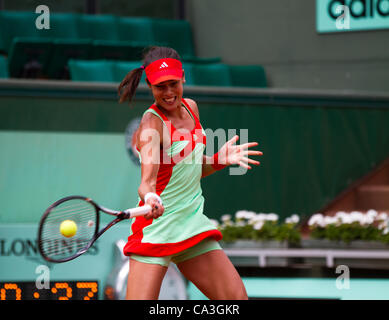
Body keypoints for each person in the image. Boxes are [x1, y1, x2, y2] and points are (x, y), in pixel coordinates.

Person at [118, 46, 262, 300]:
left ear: (183, 77)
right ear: (150, 86)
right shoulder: (152, 124)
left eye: (173, 83)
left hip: (190, 224)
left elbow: (188, 168)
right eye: (160, 86)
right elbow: (147, 182)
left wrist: (219, 160)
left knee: (235, 299)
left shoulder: (191, 108)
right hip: (157, 229)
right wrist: (151, 198)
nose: (169, 92)